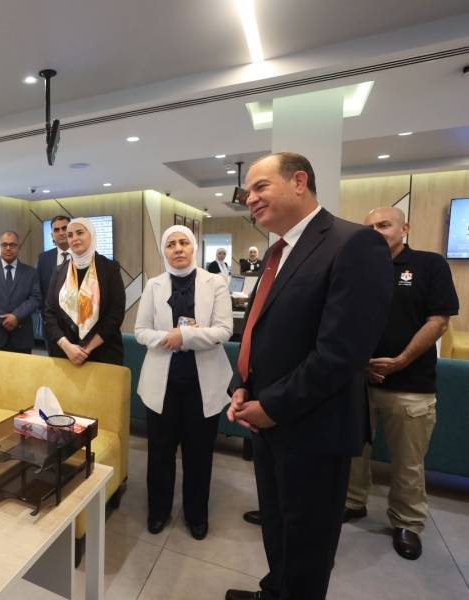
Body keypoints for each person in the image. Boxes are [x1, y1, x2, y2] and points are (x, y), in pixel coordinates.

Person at [224, 153, 393, 600]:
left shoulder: (354, 244)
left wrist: (272, 406)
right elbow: (261, 331)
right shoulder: (277, 252)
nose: (249, 198)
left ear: (299, 181)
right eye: (247, 191)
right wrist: (241, 386)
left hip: (313, 428)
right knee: (277, 527)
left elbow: (341, 353)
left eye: (260, 187)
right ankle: (273, 590)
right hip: (266, 421)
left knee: (307, 546)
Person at [345, 206, 459, 560]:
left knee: (408, 463)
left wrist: (401, 360)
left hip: (411, 384)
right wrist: (358, 363)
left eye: (384, 224)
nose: (376, 231)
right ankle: (353, 502)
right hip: (360, 381)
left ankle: (407, 522)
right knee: (353, 453)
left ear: (404, 228)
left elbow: (438, 321)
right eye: (369, 227)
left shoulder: (429, 265)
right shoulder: (357, 269)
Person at [135, 225, 232, 539]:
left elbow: (224, 330)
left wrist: (185, 336)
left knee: (199, 454)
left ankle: (196, 515)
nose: (178, 249)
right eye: (171, 244)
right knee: (159, 453)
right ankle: (158, 510)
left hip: (203, 384)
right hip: (162, 384)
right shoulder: (153, 285)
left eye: (184, 243)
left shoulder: (215, 283)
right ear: (164, 251)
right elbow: (140, 331)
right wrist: (170, 339)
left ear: (194, 248)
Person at [44, 217, 125, 366]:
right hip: (65, 354)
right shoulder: (59, 271)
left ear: (92, 235)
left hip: (103, 354)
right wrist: (66, 346)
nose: (74, 238)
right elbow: (49, 314)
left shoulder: (110, 268)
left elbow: (116, 314)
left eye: (80, 233)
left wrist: (86, 349)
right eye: (70, 235)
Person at [0, 231, 41, 353]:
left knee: (21, 366)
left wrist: (16, 316)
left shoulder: (31, 273)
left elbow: (35, 298)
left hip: (22, 335)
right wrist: (3, 319)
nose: (8, 248)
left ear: (18, 247)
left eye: (12, 245)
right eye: (4, 245)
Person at [36, 215, 72, 352]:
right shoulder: (43, 259)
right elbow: (39, 291)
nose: (61, 232)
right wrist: (47, 319)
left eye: (64, 228)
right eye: (56, 230)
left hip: (80, 329)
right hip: (52, 328)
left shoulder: (83, 256)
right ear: (52, 235)